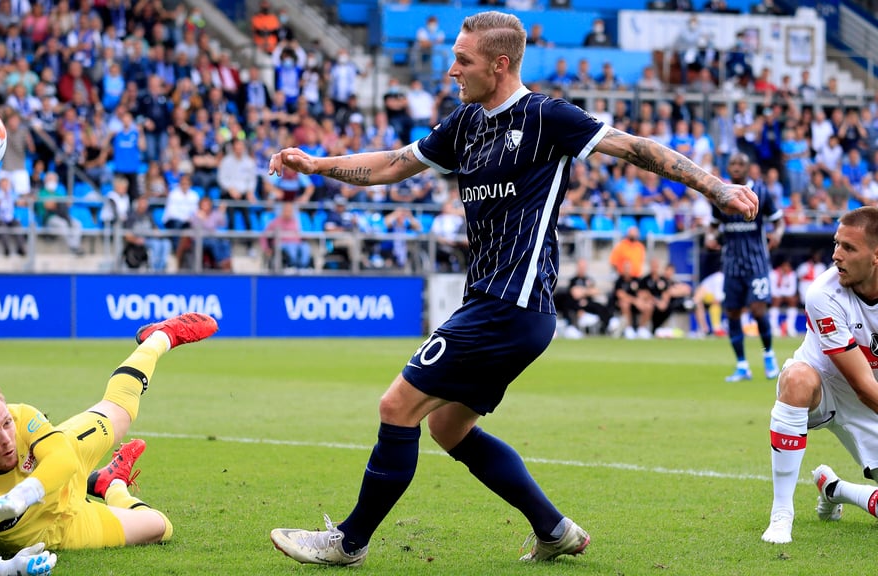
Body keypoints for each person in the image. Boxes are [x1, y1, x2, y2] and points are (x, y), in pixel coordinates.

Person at [266, 11, 758, 567]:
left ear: (500, 64)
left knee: (397, 406)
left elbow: (636, 148)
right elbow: (395, 164)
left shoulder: (547, 117)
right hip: (496, 303)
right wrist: (316, 165)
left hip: (512, 302)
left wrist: (716, 187)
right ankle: (554, 530)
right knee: (448, 426)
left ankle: (348, 542)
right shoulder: (466, 122)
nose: (452, 69)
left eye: (463, 59)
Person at [0, 313, 219, 575]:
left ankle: (160, 337)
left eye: (6, 423)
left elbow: (63, 460)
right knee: (160, 527)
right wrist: (8, 569)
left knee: (121, 410)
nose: (6, 438)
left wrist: (18, 498)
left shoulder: (21, 415)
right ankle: (112, 486)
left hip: (68, 454)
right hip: (65, 527)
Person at [760, 206, 878, 544]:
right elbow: (862, 386)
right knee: (796, 378)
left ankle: (835, 489)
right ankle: (781, 514)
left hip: (870, 402)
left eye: (849, 247)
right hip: (824, 387)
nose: (835, 255)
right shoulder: (823, 294)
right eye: (836, 243)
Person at [705, 152, 784, 382]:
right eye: (733, 164)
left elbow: (778, 220)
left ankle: (768, 355)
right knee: (732, 313)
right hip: (731, 265)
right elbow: (713, 225)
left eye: (741, 163)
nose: (736, 167)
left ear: (749, 168)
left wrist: (777, 235)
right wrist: (710, 237)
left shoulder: (761, 191)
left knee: (759, 311)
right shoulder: (719, 194)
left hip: (757, 262)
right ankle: (742, 366)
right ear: (728, 168)